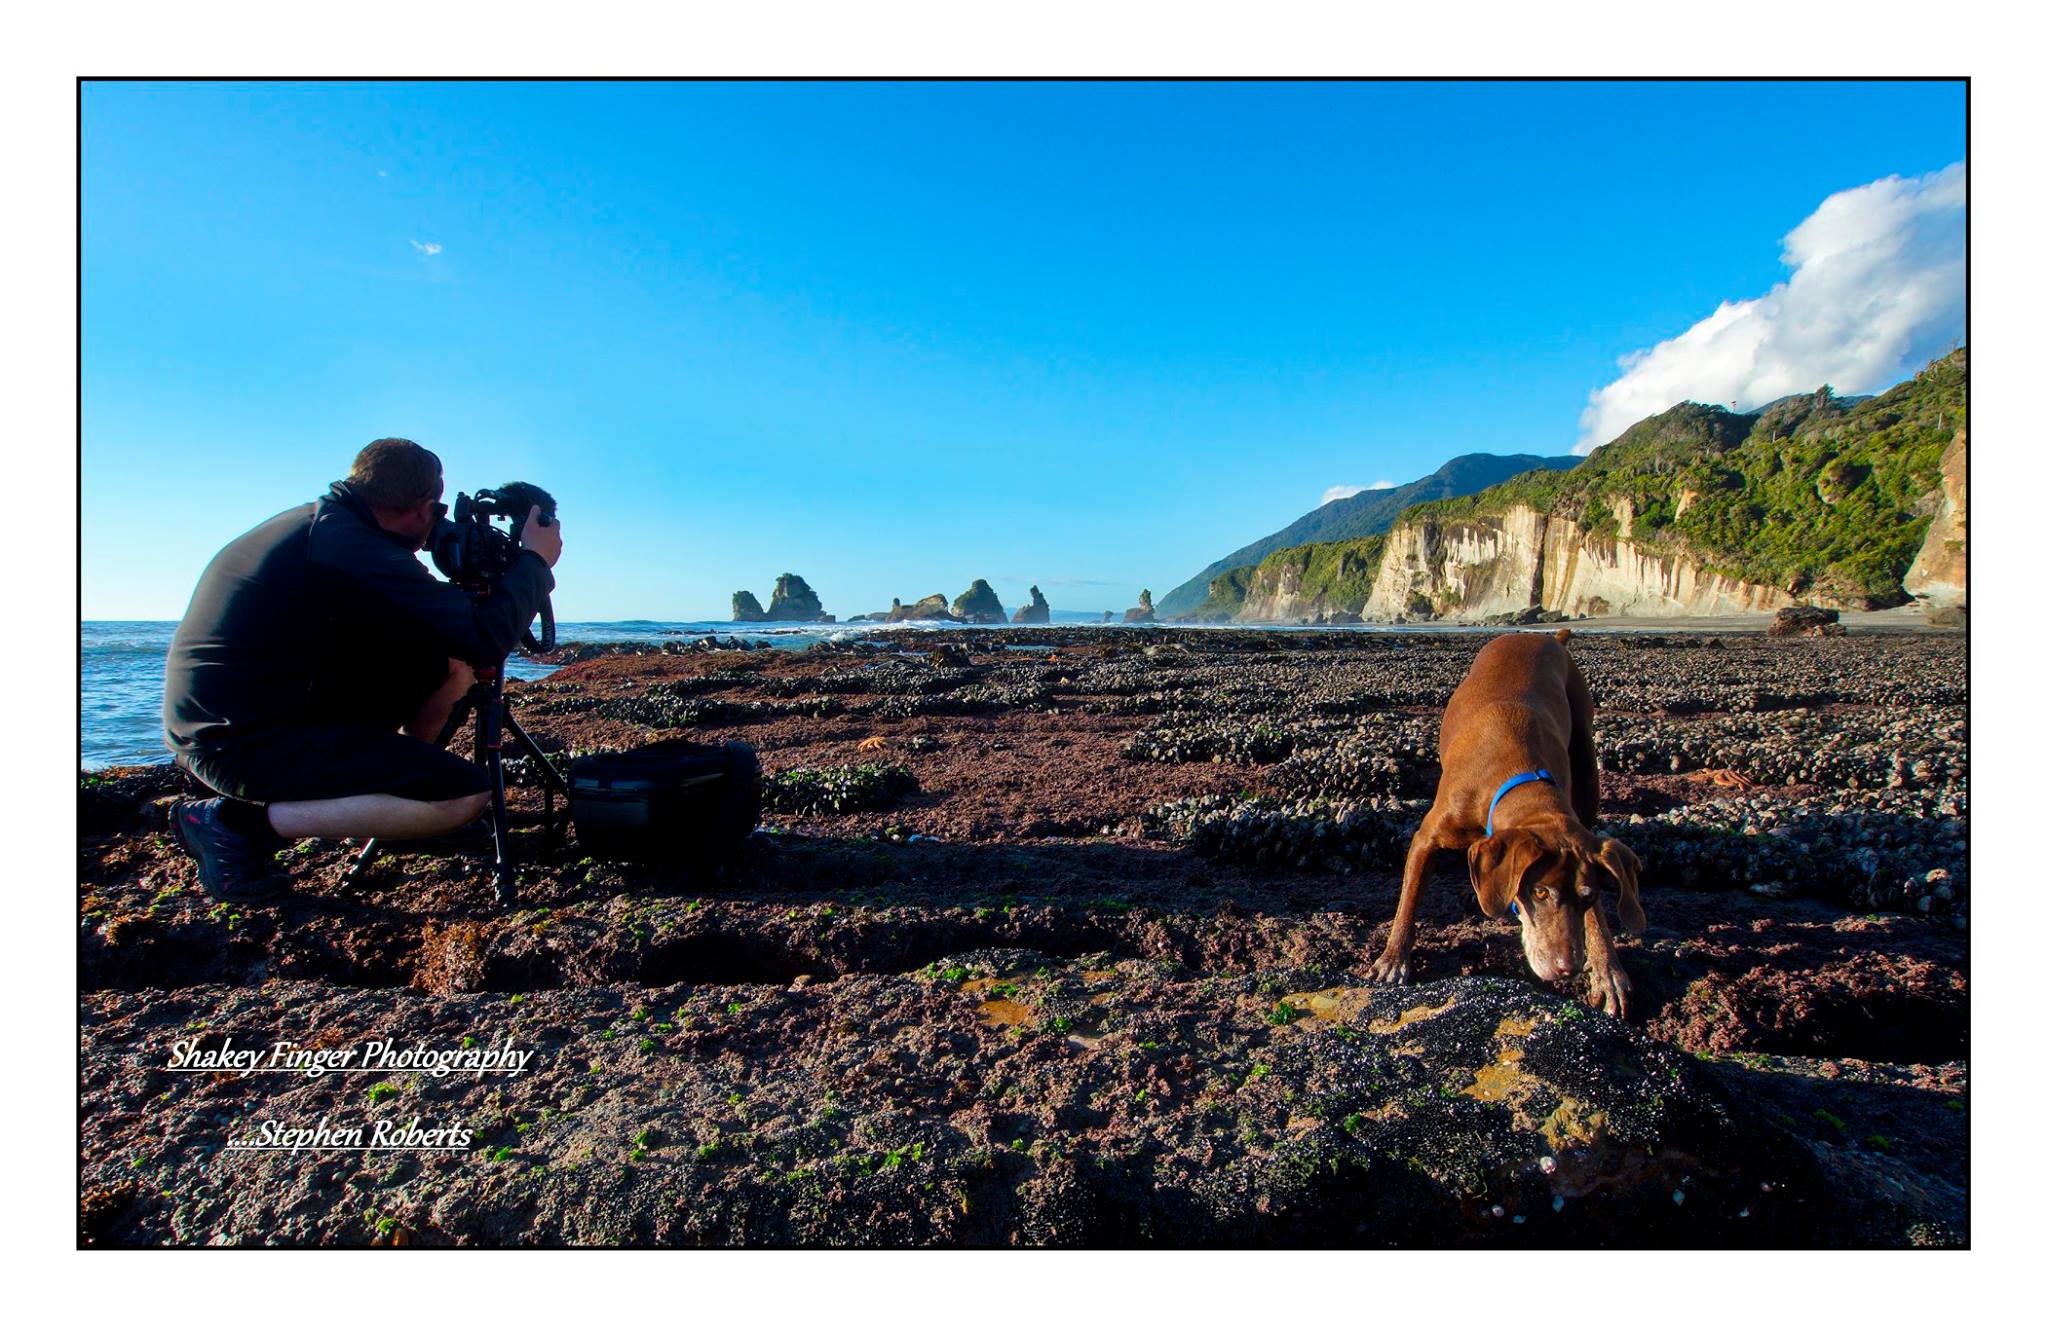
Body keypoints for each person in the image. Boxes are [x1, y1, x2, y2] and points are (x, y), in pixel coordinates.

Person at [161, 438, 564, 902]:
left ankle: (400, 812)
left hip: (255, 711)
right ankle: (231, 823)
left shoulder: (329, 527)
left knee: (450, 666)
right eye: (435, 511)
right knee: (465, 795)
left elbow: (454, 637)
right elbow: (485, 636)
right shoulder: (347, 548)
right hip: (235, 744)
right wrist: (534, 562)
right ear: (419, 508)